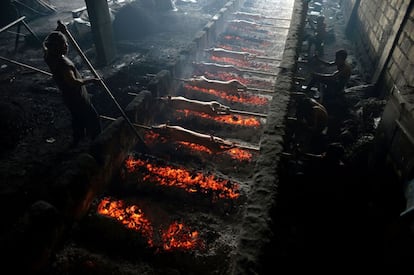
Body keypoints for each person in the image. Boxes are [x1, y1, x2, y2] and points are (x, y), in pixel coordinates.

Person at [43, 28, 102, 147]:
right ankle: (98, 142)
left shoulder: (49, 56)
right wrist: (92, 80)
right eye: (65, 43)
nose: (67, 45)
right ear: (60, 47)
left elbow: (44, 45)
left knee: (77, 117)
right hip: (76, 96)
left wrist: (59, 31)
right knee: (93, 118)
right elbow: (73, 82)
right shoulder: (64, 65)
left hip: (67, 96)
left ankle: (77, 139)